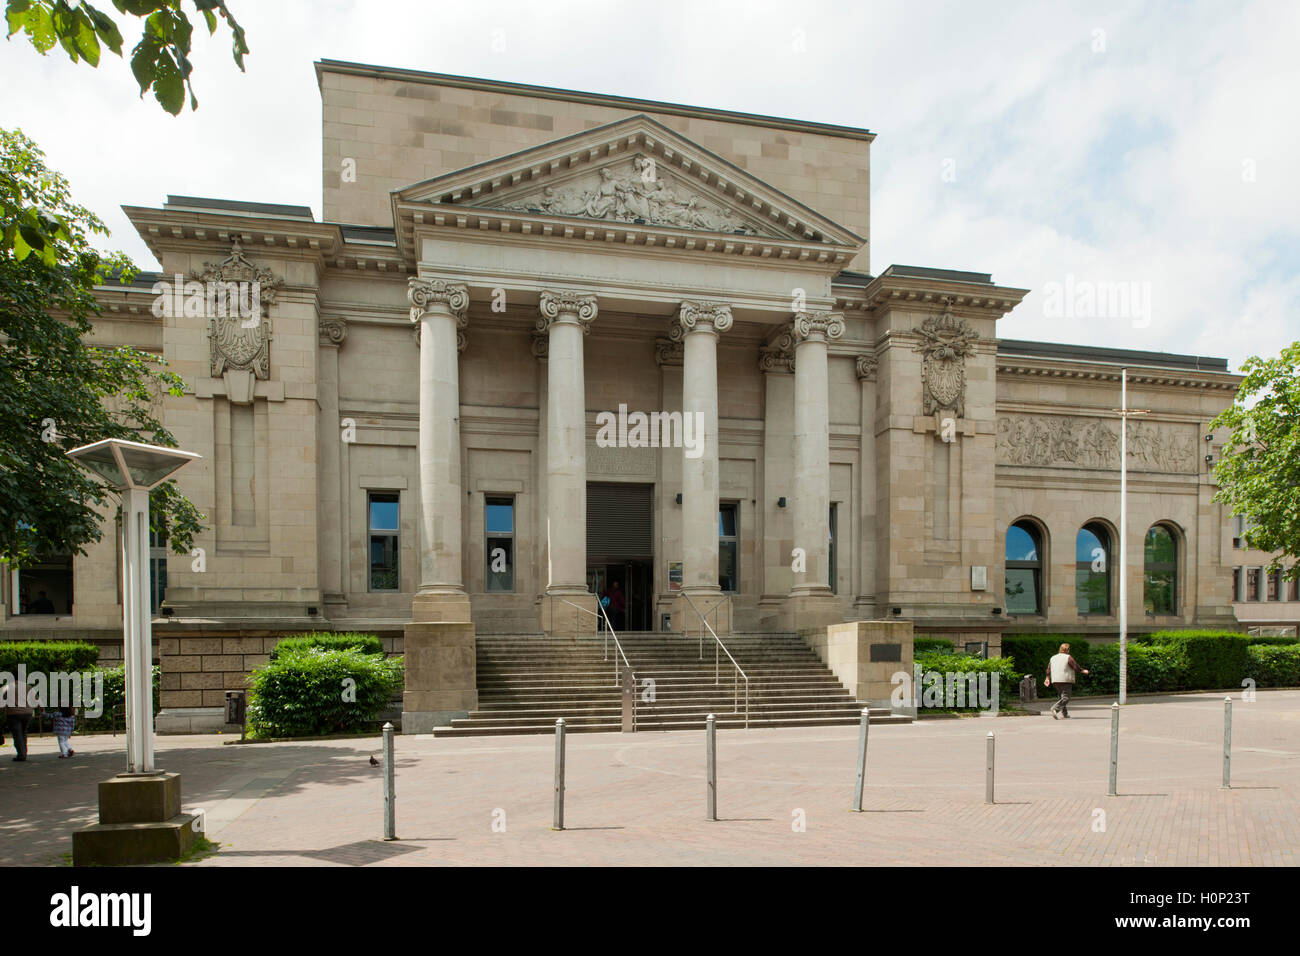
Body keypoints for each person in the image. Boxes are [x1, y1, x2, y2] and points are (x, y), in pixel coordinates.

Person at [1045, 642, 1090, 719]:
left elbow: (1048, 669)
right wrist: (1082, 670)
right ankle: (1055, 709)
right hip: (1065, 679)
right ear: (1068, 650)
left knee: (1061, 697)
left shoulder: (1053, 657)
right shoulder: (1068, 657)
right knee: (1066, 698)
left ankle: (1065, 714)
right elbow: (1075, 666)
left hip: (1055, 680)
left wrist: (1047, 678)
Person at [4, 676, 34, 760]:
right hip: (27, 713)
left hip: (13, 714)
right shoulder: (28, 687)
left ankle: (21, 754)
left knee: (17, 734)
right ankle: (24, 752)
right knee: (23, 733)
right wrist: (41, 708)